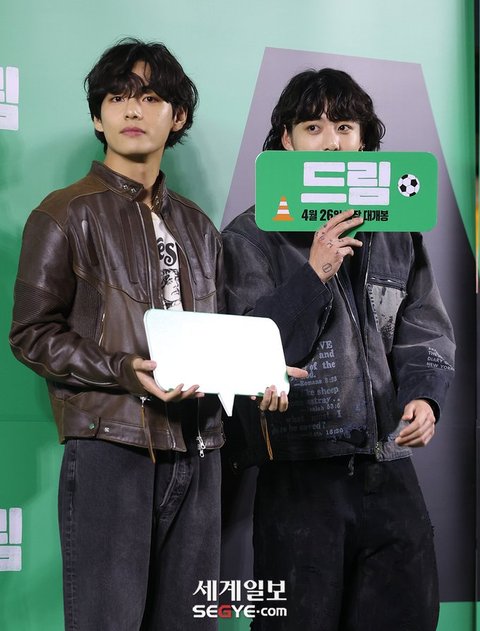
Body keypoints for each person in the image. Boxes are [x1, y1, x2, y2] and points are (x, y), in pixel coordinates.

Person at [8, 38, 295, 631]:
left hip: (200, 448)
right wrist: (122, 369)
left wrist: (259, 373)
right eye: (117, 98)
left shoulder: (199, 226)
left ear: (177, 115)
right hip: (111, 445)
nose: (132, 110)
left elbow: (216, 333)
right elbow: (31, 334)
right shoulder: (63, 213)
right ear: (98, 117)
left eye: (149, 97)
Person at [222, 68, 455, 631]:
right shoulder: (249, 236)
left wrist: (424, 397)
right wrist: (315, 274)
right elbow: (250, 351)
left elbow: (424, 327)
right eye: (313, 127)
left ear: (364, 141)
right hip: (299, 474)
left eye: (345, 127)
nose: (331, 142)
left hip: (388, 467)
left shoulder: (397, 229)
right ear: (286, 140)